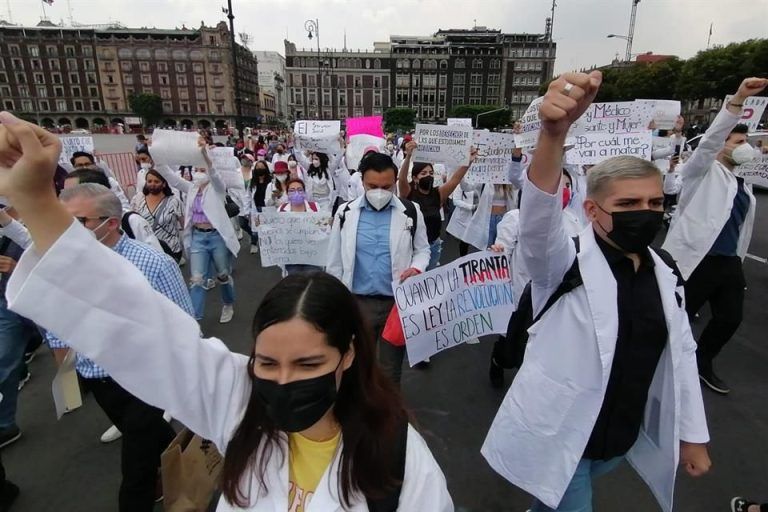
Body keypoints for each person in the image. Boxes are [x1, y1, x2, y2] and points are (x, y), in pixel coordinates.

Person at [0, 117, 453, 510]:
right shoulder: (240, 406)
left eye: (308, 364)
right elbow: (137, 323)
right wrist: (36, 201)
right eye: (267, 363)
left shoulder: (401, 460)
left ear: (348, 354)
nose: (284, 382)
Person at [481, 71, 710, 512]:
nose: (645, 213)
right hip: (563, 434)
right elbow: (537, 220)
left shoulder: (664, 271)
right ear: (591, 209)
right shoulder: (563, 263)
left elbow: (682, 354)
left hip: (621, 434)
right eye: (627, 204)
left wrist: (693, 435)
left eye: (654, 203)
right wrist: (553, 135)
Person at [46, 183, 194, 512]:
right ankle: (193, 469)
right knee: (149, 436)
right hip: (97, 378)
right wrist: (67, 378)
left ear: (110, 223)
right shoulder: (63, 264)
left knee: (135, 470)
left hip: (147, 379)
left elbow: (184, 323)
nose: (68, 229)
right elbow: (57, 320)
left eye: (79, 221)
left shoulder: (152, 263)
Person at [662, 77, 767, 395]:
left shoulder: (743, 182)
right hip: (697, 259)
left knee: (730, 318)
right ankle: (663, 368)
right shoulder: (701, 172)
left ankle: (701, 362)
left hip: (729, 262)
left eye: (746, 143)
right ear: (722, 144)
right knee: (675, 319)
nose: (745, 148)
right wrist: (738, 100)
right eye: (737, 142)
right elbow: (709, 142)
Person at [327, 152, 430, 386]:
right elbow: (334, 262)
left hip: (395, 305)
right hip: (357, 304)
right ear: (362, 182)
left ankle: (387, 407)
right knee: (354, 365)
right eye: (372, 186)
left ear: (395, 183)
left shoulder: (410, 211)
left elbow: (422, 250)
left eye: (387, 187)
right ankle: (357, 406)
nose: (380, 192)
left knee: (390, 370)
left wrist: (416, 268)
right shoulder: (345, 213)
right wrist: (337, 302)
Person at [155, 143, 240, 324]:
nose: (199, 173)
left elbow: (215, 176)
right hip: (198, 238)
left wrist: (206, 157)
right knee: (197, 279)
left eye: (203, 169)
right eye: (197, 169)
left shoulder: (218, 188)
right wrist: (155, 152)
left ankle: (228, 304)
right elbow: (170, 177)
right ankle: (195, 320)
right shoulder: (191, 188)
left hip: (217, 237)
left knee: (223, 275)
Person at [398, 140, 475, 269]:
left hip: (433, 246)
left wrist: (468, 161)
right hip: (411, 247)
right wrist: (408, 156)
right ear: (415, 178)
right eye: (423, 173)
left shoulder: (438, 193)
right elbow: (402, 179)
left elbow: (455, 179)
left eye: (431, 173)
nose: (428, 176)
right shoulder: (408, 193)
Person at [64, 167, 165, 254]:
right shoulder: (65, 223)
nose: (64, 197)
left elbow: (157, 257)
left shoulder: (132, 221)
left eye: (71, 193)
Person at [130, 169, 184, 262]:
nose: (152, 184)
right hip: (148, 251)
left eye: (156, 181)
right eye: (149, 181)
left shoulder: (174, 201)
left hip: (171, 250)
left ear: (164, 184)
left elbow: (184, 224)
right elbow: (133, 222)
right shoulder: (138, 200)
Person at [278, 179, 322, 276]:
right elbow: (276, 230)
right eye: (292, 190)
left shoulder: (314, 207)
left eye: (300, 190)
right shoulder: (282, 209)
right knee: (295, 280)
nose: (296, 193)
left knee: (313, 279)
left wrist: (327, 224)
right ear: (287, 193)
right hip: (292, 257)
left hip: (312, 255)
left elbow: (322, 228)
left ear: (304, 192)